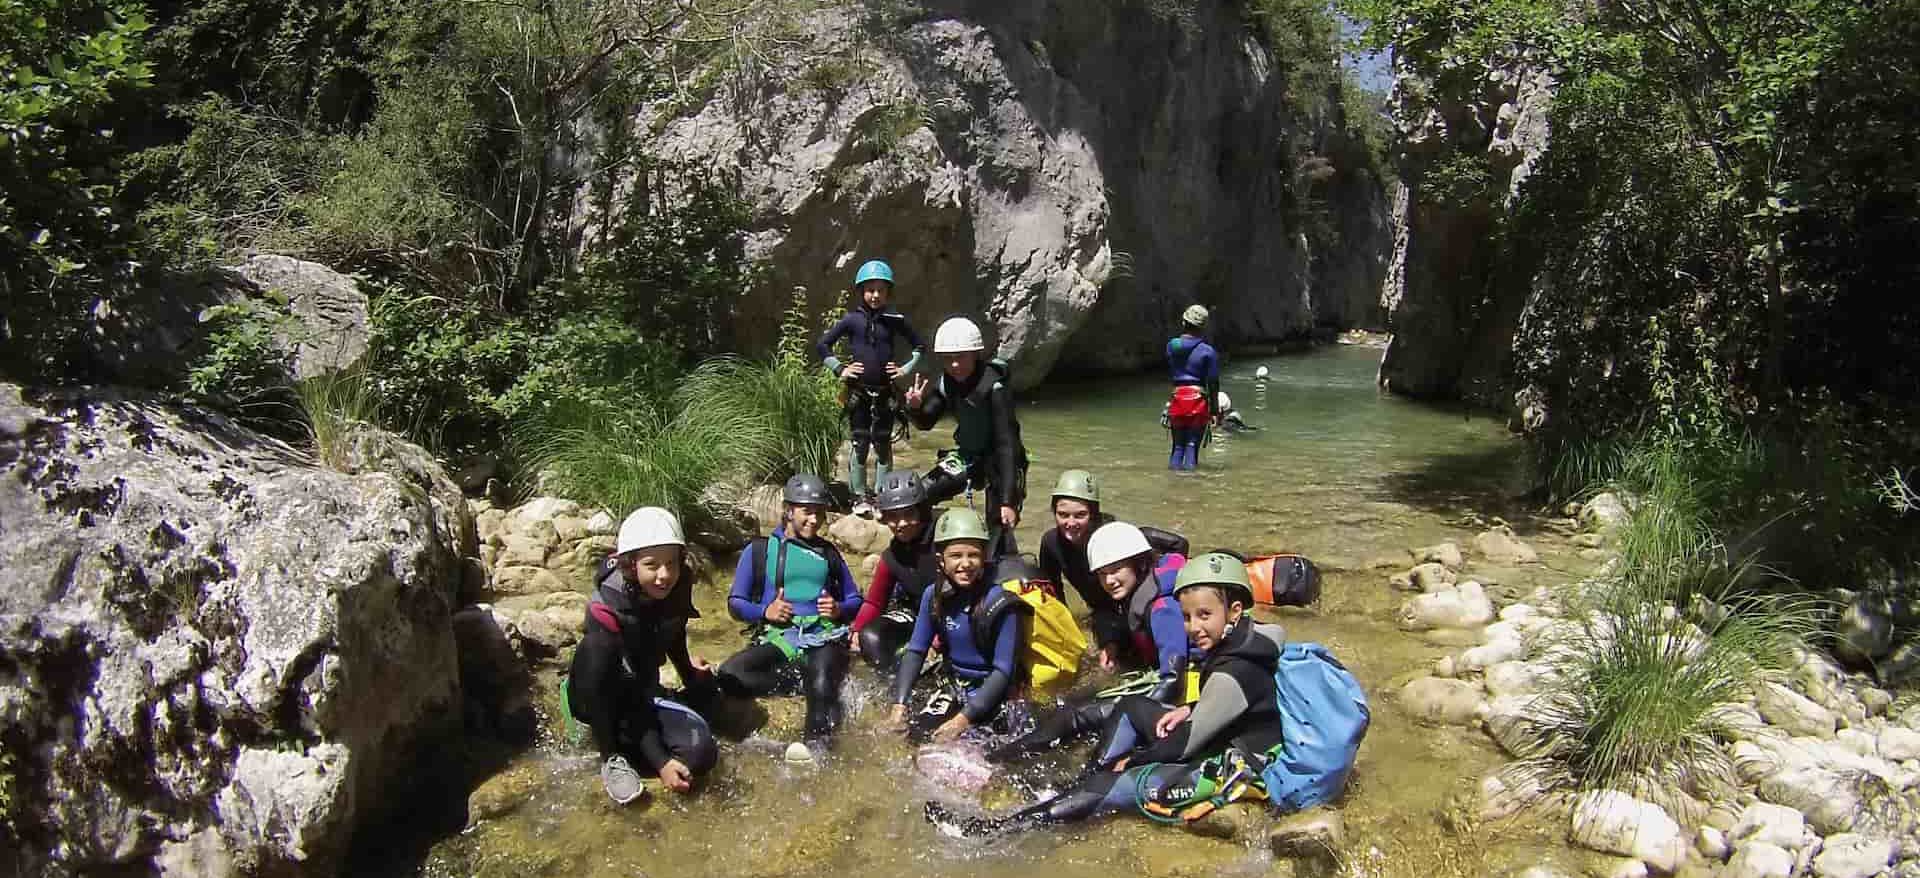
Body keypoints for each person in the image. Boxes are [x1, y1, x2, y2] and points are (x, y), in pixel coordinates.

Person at [928, 552, 1286, 834]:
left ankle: (995, 829)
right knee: (1131, 706)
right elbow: (1235, 706)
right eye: (1187, 617)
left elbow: (1186, 744)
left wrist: (1132, 761)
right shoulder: (1240, 642)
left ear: (1235, 610)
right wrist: (1192, 707)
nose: (1193, 628)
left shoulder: (1237, 668)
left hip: (1231, 768)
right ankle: (1078, 784)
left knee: (1114, 782)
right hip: (1219, 735)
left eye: (1205, 615)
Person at [992, 520, 1190, 764]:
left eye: (1116, 570)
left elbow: (1173, 680)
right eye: (1103, 574)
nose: (1109, 581)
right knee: (1066, 704)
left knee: (1075, 716)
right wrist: (1113, 643)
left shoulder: (1163, 608)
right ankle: (1019, 749)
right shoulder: (1141, 588)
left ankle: (1000, 759)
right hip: (1158, 678)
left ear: (1139, 563)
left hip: (1182, 692)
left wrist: (1128, 712)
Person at [566, 507, 719, 804]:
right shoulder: (606, 608)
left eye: (671, 563)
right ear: (630, 565)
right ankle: (611, 757)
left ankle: (636, 746)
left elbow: (673, 631)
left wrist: (689, 675)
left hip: (642, 691)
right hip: (602, 698)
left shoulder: (677, 584)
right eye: (652, 565)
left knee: (702, 754)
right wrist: (660, 760)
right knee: (597, 647)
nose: (664, 576)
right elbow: (627, 690)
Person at [714, 474, 862, 754]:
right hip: (780, 636)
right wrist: (764, 611)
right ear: (789, 511)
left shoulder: (828, 553)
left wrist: (839, 608)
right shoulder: (759, 550)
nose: (814, 520)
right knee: (730, 674)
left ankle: (816, 751)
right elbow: (735, 603)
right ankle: (802, 681)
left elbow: (856, 598)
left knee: (821, 683)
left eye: (820, 513)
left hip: (823, 634)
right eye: (807, 512)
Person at [887, 508, 1030, 743]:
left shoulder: (1002, 604)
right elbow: (916, 650)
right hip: (956, 684)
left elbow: (1003, 671)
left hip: (994, 692)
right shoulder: (933, 596)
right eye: (956, 556)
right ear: (940, 560)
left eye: (973, 555)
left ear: (984, 558)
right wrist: (899, 704)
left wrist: (962, 720)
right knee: (917, 739)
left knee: (980, 754)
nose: (966, 564)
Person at [1035, 469, 1188, 667]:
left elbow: (1179, 545)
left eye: (1080, 515)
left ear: (1093, 514)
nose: (1070, 523)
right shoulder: (1051, 543)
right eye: (1062, 514)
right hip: (1103, 612)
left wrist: (1171, 588)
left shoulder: (1115, 534)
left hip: (1134, 608)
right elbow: (1053, 592)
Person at [903, 316, 1028, 555]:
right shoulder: (946, 383)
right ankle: (935, 550)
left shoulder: (995, 388)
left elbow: (1007, 444)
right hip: (969, 455)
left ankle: (999, 566)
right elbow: (926, 422)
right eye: (948, 359)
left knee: (999, 524)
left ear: (975, 354)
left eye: (960, 358)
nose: (955, 366)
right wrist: (915, 407)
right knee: (920, 496)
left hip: (1002, 462)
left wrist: (1008, 500)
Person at [816, 259, 924, 516]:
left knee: (883, 443)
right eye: (870, 289)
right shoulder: (851, 320)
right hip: (859, 392)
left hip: (886, 392)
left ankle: (881, 497)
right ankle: (858, 498)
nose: (875, 295)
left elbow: (920, 346)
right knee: (860, 442)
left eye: (881, 290)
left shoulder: (895, 320)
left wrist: (904, 370)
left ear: (888, 293)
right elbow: (822, 345)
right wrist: (840, 369)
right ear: (861, 291)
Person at [849, 470, 939, 672]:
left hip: (957, 618)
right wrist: (857, 631)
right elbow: (874, 602)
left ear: (921, 511)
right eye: (893, 517)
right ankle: (892, 682)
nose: (901, 524)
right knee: (870, 637)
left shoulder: (943, 541)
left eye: (909, 514)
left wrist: (936, 641)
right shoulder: (892, 556)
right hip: (919, 617)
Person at [1165, 304, 1220, 471]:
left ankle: (1173, 483)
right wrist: (1214, 411)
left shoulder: (1172, 346)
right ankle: (1191, 486)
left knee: (1177, 447)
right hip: (1198, 403)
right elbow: (1213, 382)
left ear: (1183, 322)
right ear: (1203, 327)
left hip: (1177, 399)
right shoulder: (1208, 352)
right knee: (1191, 446)